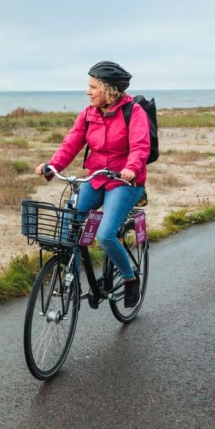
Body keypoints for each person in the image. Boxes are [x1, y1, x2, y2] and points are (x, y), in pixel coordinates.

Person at [36, 61, 151, 308]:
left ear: (109, 89)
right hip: (96, 177)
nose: (88, 92)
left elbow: (141, 145)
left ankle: (130, 279)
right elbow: (71, 143)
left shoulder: (134, 112)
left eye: (93, 87)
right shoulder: (88, 114)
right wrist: (52, 166)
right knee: (70, 223)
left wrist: (131, 167)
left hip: (124, 181)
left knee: (105, 234)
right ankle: (71, 280)